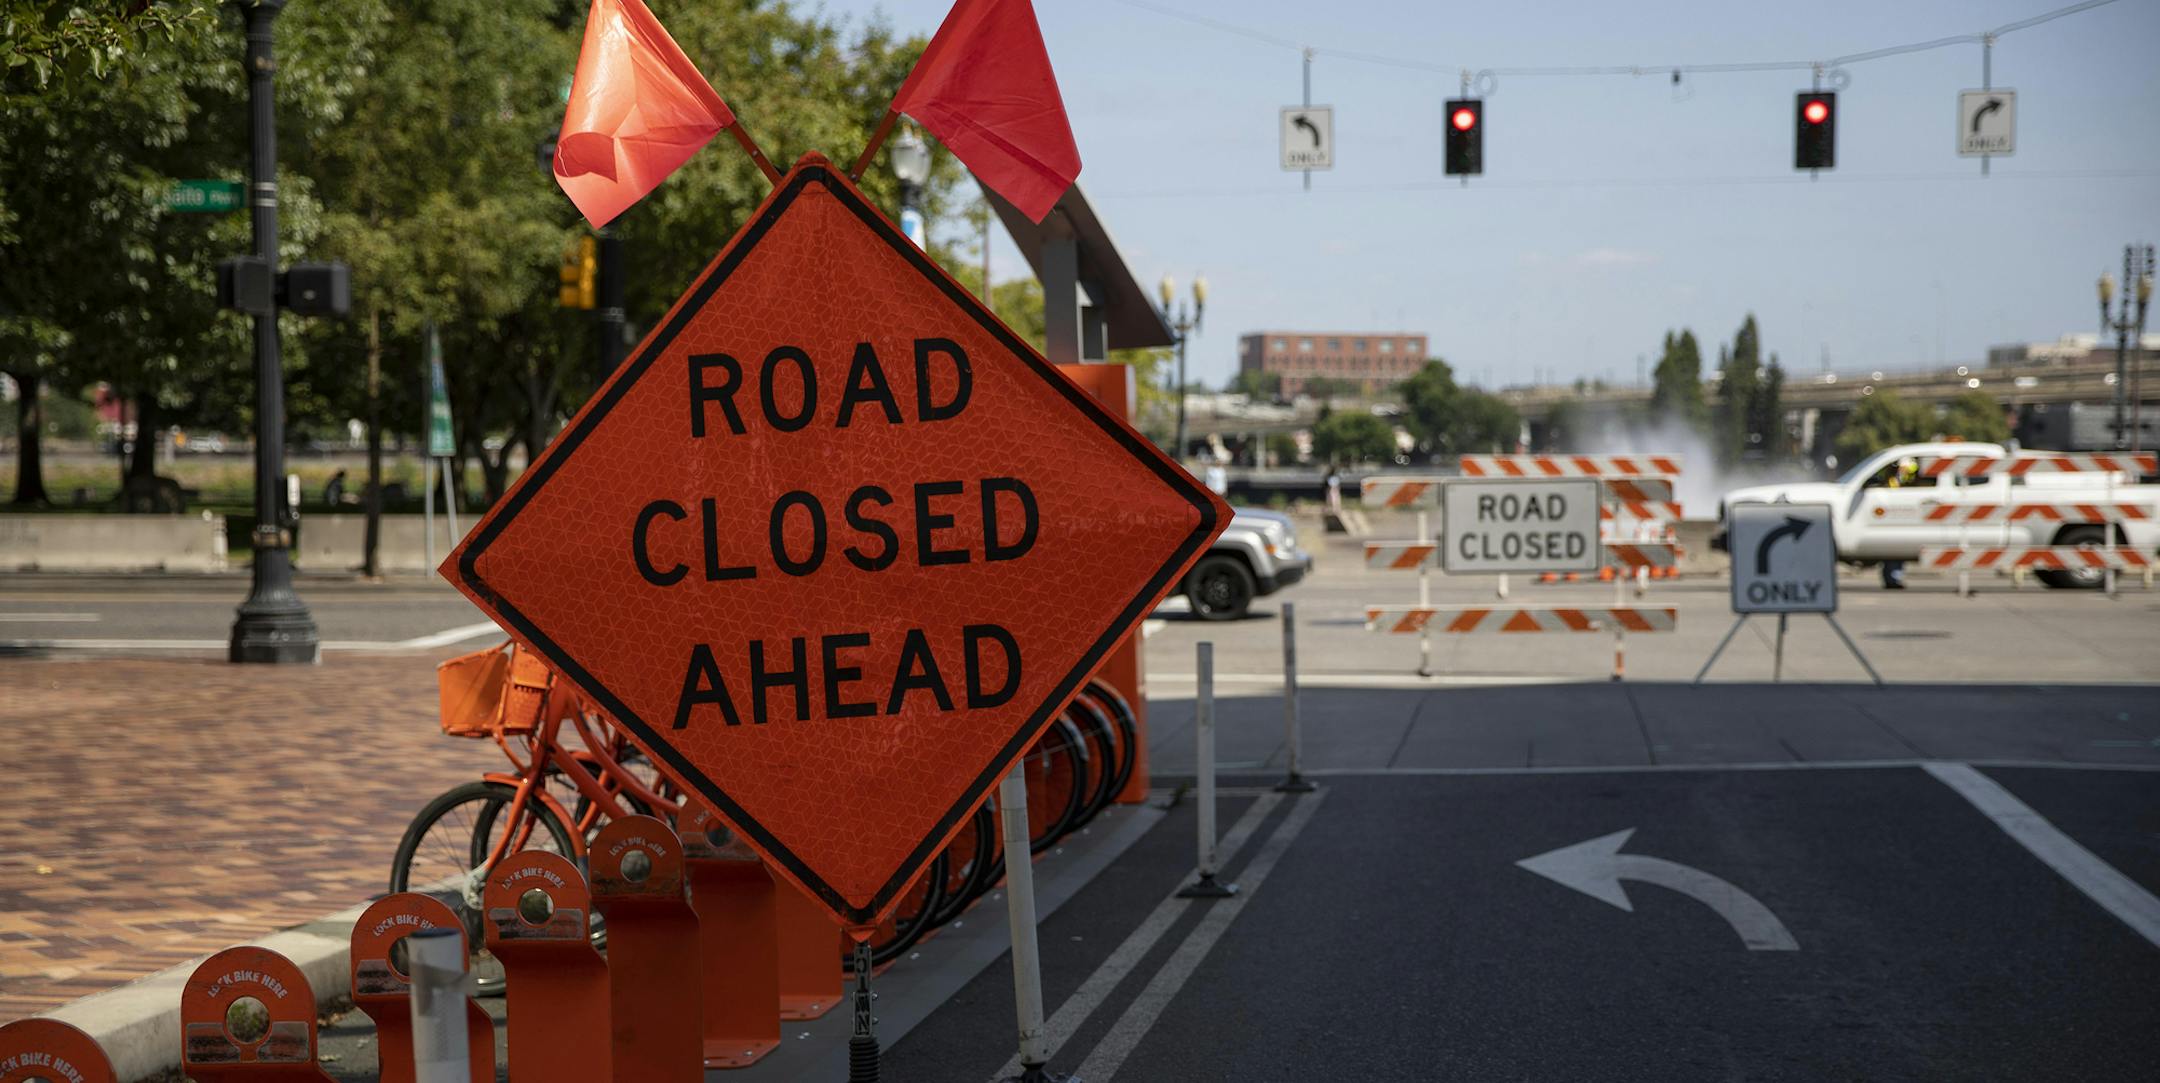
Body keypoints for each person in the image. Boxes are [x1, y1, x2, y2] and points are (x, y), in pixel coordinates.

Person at [1879, 456, 1918, 589]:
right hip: (1894, 517)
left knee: (1895, 552)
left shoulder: (1909, 470)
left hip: (1901, 516)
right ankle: (1893, 578)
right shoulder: (1894, 477)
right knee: (1893, 552)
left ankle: (1893, 578)